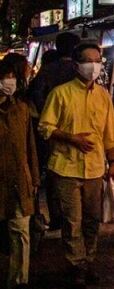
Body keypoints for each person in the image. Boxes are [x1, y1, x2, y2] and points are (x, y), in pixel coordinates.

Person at [38, 42, 114, 287]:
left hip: (94, 168)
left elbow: (109, 133)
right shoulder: (60, 93)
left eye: (97, 61)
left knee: (92, 219)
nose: (93, 66)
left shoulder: (103, 95)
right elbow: (45, 127)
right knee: (72, 221)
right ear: (77, 65)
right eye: (88, 61)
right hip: (66, 167)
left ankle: (88, 260)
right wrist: (71, 138)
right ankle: (76, 264)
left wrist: (112, 162)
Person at [29, 32, 80, 231]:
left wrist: (47, 115)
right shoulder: (77, 71)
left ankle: (58, 217)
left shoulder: (48, 71)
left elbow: (36, 94)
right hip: (78, 129)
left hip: (52, 131)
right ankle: (74, 216)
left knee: (54, 173)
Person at [0, 59, 40, 289]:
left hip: (19, 180)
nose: (9, 82)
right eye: (6, 77)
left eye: (12, 77)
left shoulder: (21, 109)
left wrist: (33, 177)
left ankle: (18, 280)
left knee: (21, 232)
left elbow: (30, 147)